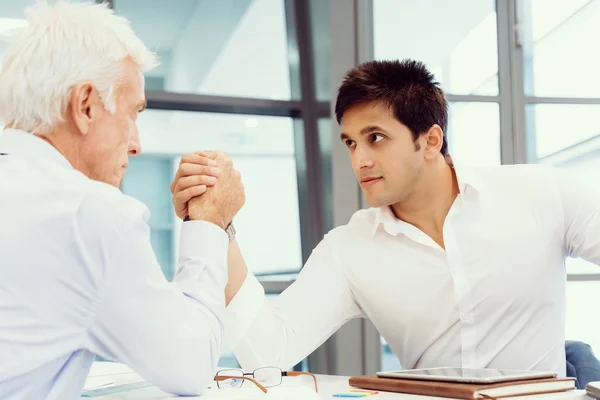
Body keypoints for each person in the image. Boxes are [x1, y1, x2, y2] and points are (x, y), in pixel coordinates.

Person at [171, 59, 600, 377]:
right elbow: (268, 351)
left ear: (430, 140)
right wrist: (217, 227)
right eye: (351, 143)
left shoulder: (542, 194)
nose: (360, 160)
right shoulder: (350, 248)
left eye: (375, 138)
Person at [0, 2, 244, 399]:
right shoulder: (86, 214)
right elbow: (191, 366)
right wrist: (208, 223)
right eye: (133, 114)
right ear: (86, 106)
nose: (136, 145)